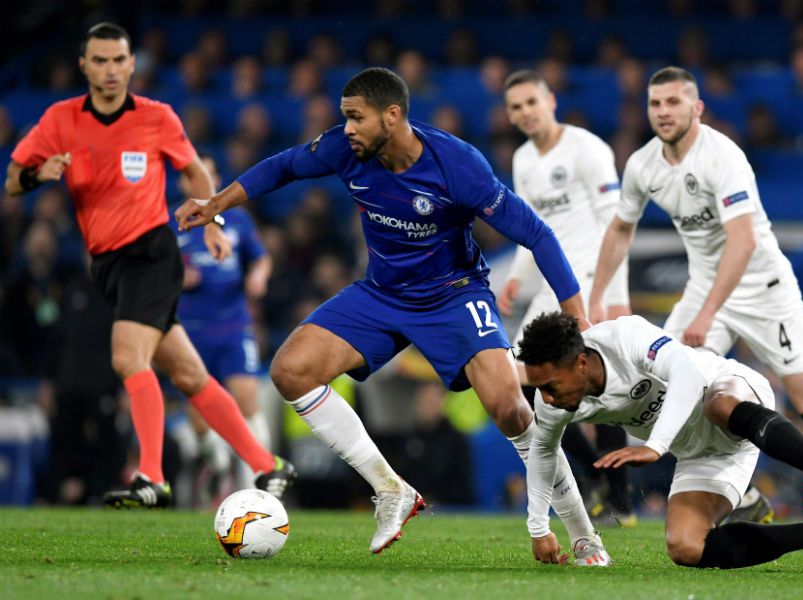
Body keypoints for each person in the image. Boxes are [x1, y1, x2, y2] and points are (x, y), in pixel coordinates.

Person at [175, 67, 602, 561]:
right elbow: (285, 167)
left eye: (356, 118)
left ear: (392, 116)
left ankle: (583, 533)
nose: (347, 128)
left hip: (453, 295)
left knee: (510, 409)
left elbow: (537, 235)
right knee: (290, 371)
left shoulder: (457, 165)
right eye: (345, 118)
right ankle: (390, 490)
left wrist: (578, 322)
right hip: (383, 293)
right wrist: (216, 203)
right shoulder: (345, 149)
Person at [4, 22, 297, 508]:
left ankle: (152, 476)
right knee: (188, 376)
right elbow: (13, 180)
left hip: (151, 253)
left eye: (119, 60)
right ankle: (269, 466)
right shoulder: (59, 119)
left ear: (132, 64)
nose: (111, 70)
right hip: (107, 265)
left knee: (126, 358)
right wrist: (39, 173)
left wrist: (211, 223)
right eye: (100, 60)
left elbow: (193, 170)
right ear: (84, 66)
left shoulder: (156, 117)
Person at [587, 66, 803, 515]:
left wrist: (705, 314)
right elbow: (620, 227)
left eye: (673, 102)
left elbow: (744, 240)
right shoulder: (643, 164)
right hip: (704, 289)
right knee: (663, 395)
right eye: (655, 103)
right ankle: (746, 496)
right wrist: (599, 296)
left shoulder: (723, 156)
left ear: (697, 108)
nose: (663, 111)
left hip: (762, 287)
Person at [519, 312, 803, 575]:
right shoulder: (552, 404)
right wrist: (539, 528)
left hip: (730, 392)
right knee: (686, 546)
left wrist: (656, 446)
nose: (546, 398)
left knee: (717, 403)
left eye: (550, 385)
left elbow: (688, 374)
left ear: (581, 362)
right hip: (700, 451)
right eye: (538, 388)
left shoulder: (623, 336)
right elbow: (543, 452)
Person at [499, 69, 635, 526]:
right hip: (549, 285)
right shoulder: (522, 159)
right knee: (524, 379)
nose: (524, 113)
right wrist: (518, 277)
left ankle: (616, 499)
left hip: (591, 279)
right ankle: (601, 481)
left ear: (550, 100)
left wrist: (613, 297)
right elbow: (528, 227)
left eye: (530, 103)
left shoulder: (588, 149)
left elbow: (616, 225)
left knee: (601, 380)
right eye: (515, 107)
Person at [173, 153, 273, 492]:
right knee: (200, 414)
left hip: (233, 326)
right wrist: (175, 276)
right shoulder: (171, 223)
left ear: (216, 177)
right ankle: (215, 463)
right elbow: (148, 271)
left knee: (247, 399)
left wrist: (258, 277)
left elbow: (261, 259)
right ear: (182, 182)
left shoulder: (238, 220)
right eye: (192, 176)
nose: (201, 181)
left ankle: (261, 479)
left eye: (208, 173)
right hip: (191, 333)